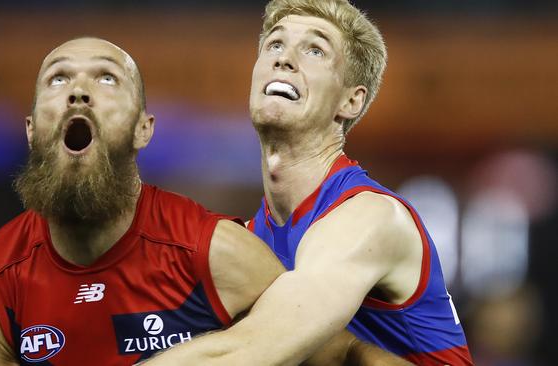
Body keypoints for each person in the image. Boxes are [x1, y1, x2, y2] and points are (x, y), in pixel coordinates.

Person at [0, 37, 407, 365]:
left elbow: (343, 356)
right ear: (31, 130)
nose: (78, 91)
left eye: (107, 79)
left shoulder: (217, 253)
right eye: (58, 78)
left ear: (143, 129)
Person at [145, 0, 474, 365]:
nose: (283, 59)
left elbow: (251, 350)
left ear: (351, 100)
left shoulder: (369, 219)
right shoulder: (254, 237)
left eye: (315, 49)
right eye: (275, 44)